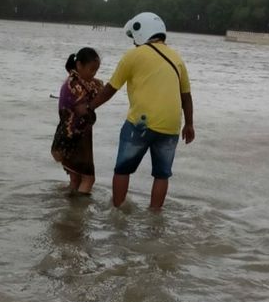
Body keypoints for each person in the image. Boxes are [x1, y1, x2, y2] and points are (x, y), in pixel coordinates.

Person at [81, 12, 194, 209]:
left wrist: (89, 107)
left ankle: (117, 211)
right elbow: (186, 96)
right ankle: (155, 217)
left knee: (123, 169)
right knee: (162, 174)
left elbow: (110, 89)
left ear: (142, 32)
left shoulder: (133, 56)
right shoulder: (177, 59)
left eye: (134, 38)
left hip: (141, 123)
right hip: (171, 126)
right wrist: (189, 124)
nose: (134, 43)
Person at [51, 47, 103, 194]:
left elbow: (98, 87)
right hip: (74, 138)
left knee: (76, 179)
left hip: (69, 136)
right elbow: (84, 112)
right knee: (88, 179)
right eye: (91, 70)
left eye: (96, 70)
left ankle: (71, 211)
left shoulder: (81, 82)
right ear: (79, 65)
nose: (94, 74)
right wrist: (99, 99)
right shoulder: (74, 84)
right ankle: (79, 212)